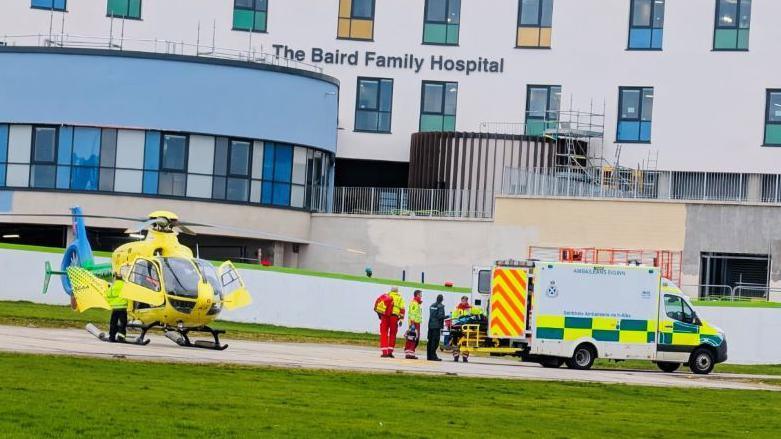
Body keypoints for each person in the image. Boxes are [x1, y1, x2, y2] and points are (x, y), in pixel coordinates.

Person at [374, 287, 406, 358]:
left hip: (385, 316)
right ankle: (390, 352)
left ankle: (384, 352)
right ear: (397, 291)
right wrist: (401, 319)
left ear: (390, 291)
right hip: (394, 317)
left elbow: (379, 305)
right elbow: (402, 309)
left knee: (384, 332)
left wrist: (380, 315)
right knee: (392, 333)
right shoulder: (399, 298)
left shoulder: (386, 296)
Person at [106, 274, 128, 343]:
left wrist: (111, 303)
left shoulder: (112, 286)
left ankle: (112, 337)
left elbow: (107, 295)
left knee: (113, 323)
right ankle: (121, 338)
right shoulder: (125, 285)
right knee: (123, 323)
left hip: (115, 308)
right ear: (121, 278)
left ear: (115, 278)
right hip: (123, 308)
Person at [451, 296, 472, 362]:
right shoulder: (457, 308)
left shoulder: (470, 308)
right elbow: (454, 317)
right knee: (455, 342)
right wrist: (456, 323)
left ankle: (465, 357)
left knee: (465, 342)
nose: (463, 302)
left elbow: (474, 315)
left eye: (465, 301)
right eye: (462, 301)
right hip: (458, 327)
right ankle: (456, 356)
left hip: (466, 328)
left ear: (467, 301)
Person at [404, 290, 423, 359]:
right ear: (417, 295)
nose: (421, 296)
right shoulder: (414, 303)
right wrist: (412, 324)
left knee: (412, 339)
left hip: (416, 323)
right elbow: (412, 313)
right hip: (414, 323)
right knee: (413, 339)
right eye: (420, 294)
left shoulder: (417, 303)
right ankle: (410, 353)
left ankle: (409, 352)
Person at [427, 294, 445, 361]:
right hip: (436, 326)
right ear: (442, 299)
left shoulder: (432, 305)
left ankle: (429, 356)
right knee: (435, 342)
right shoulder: (441, 306)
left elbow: (433, 315)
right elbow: (440, 316)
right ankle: (433, 356)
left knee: (430, 341)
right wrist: (447, 316)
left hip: (430, 325)